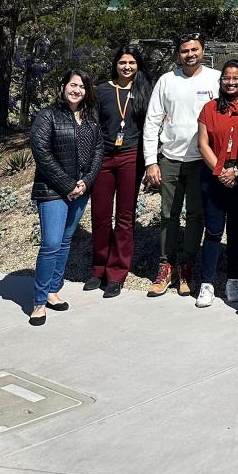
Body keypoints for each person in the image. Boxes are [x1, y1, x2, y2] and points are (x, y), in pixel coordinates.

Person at [142, 32, 220, 298]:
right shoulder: (167, 81)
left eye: (195, 49)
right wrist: (151, 161)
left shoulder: (216, 79)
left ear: (203, 50)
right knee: (168, 215)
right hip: (170, 159)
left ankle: (187, 266)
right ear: (179, 54)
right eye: (185, 51)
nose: (190, 55)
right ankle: (166, 266)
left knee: (196, 215)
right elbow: (152, 122)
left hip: (201, 162)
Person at [29, 70, 103, 326]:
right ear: (63, 87)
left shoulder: (91, 118)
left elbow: (98, 152)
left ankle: (52, 290)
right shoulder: (48, 115)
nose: (77, 90)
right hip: (52, 191)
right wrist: (67, 184)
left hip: (80, 191)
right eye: (73, 85)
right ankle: (39, 301)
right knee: (50, 243)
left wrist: (86, 182)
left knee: (64, 242)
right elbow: (41, 152)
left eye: (82, 86)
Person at [86, 43, 152, 298]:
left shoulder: (144, 91)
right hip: (103, 158)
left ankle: (116, 273)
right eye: (123, 62)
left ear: (138, 66)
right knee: (100, 215)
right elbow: (91, 125)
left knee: (125, 217)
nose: (127, 67)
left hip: (130, 157)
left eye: (132, 63)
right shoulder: (102, 91)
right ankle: (98, 268)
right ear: (115, 64)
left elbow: (152, 124)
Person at [195, 59, 238, 308]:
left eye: (235, 78)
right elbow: (202, 144)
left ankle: (232, 280)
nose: (230, 82)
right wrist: (220, 172)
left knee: (236, 231)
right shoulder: (209, 108)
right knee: (213, 231)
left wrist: (237, 170)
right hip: (213, 175)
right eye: (226, 78)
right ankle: (206, 284)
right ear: (220, 82)